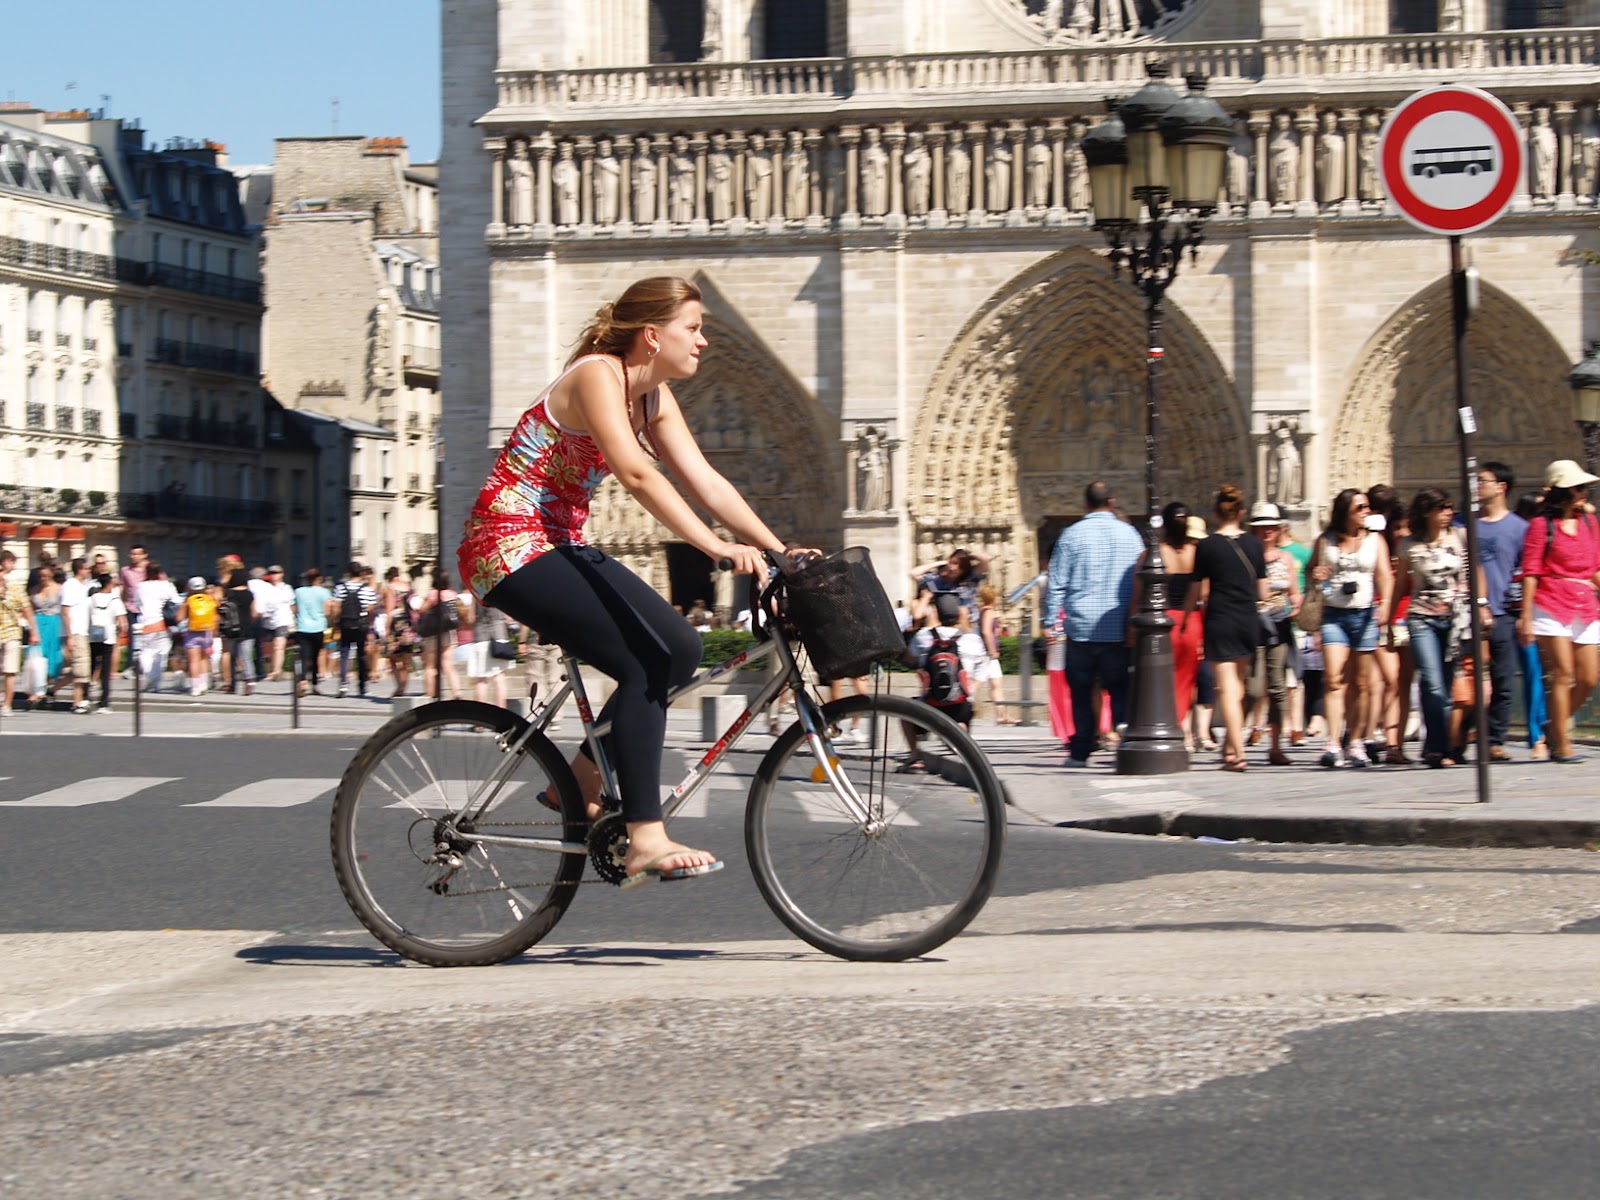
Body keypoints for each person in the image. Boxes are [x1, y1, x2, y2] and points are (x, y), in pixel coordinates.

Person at [457, 275, 799, 887]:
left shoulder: (654, 397)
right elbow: (637, 474)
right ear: (651, 335)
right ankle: (646, 835)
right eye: (692, 329)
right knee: (646, 660)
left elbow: (707, 481)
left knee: (684, 648)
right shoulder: (596, 375)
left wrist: (780, 551)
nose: (703, 342)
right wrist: (715, 547)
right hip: (504, 547)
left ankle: (580, 785)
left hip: (559, 544)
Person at [1044, 481, 1144, 767]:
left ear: (1085, 503)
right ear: (1111, 502)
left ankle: (1080, 751)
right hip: (1118, 626)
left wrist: (1050, 620)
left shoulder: (1071, 535)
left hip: (1081, 627)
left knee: (1082, 691)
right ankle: (1125, 738)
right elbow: (1141, 577)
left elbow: (1057, 581)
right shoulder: (1131, 535)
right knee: (1120, 688)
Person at [1518, 460, 1600, 763]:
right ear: (1562, 491)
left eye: (1585, 487)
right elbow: (1531, 571)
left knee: (1589, 677)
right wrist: (1526, 617)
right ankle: (1563, 744)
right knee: (1563, 674)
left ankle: (1553, 725)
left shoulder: (1590, 523)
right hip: (1550, 601)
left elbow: (1595, 567)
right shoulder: (1541, 525)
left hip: (1585, 602)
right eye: (1578, 487)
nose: (1584, 492)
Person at [1397, 487, 1482, 768]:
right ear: (1426, 512)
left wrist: (1481, 604)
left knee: (1445, 686)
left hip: (1455, 619)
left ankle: (1438, 746)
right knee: (1432, 684)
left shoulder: (1460, 537)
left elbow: (1474, 572)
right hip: (1421, 617)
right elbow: (1400, 584)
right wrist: (1388, 620)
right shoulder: (1409, 545)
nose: (1448, 513)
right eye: (1442, 508)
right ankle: (1438, 745)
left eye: (1449, 508)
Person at [1185, 485, 1268, 771]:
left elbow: (1195, 592)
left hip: (1220, 618)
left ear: (1214, 513)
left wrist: (1185, 617)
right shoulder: (1256, 545)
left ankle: (1238, 753)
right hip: (1247, 619)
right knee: (1238, 687)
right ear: (1242, 513)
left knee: (1227, 689)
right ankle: (1231, 748)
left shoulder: (1207, 546)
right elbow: (1264, 591)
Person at [1310, 489, 1393, 768]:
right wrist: (1316, 575)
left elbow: (1384, 576)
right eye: (1360, 507)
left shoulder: (1375, 541)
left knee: (1361, 683)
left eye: (1367, 507)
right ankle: (1333, 742)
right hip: (1334, 614)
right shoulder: (1326, 540)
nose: (1366, 511)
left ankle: (1356, 741)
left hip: (1365, 613)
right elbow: (1311, 570)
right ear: (1346, 511)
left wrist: (1386, 605)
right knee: (1333, 679)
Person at [1468, 461, 1528, 761]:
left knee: (1504, 679)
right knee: (1467, 678)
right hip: (1466, 614)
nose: (1478, 485)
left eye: (1483, 480)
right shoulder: (1464, 524)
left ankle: (1494, 739)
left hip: (1504, 611)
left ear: (1501, 487)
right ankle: (1462, 733)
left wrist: (1524, 615)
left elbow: (1526, 574)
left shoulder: (1520, 528)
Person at [1132, 501, 1201, 733]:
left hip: (1162, 620)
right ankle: (1184, 726)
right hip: (1192, 621)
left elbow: (1138, 593)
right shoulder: (1196, 553)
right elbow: (1206, 592)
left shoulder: (1153, 553)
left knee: (1160, 676)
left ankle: (1169, 722)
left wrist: (1131, 626)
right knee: (1187, 677)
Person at [1244, 502, 1302, 766]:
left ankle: (1276, 746)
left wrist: (1298, 603)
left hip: (1278, 624)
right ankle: (1238, 736)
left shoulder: (1286, 558)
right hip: (1253, 623)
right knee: (1254, 689)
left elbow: (1294, 592)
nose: (1267, 531)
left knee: (1278, 686)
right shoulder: (1246, 556)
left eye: (1271, 527)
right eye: (1261, 527)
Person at [908, 592, 985, 734]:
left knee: (905, 714)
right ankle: (959, 734)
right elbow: (982, 670)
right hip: (961, 705)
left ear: (938, 614)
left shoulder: (924, 635)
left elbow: (910, 657)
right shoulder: (973, 640)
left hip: (930, 704)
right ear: (958, 615)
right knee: (961, 719)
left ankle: (914, 753)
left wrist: (929, 625)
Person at [1512, 490, 1549, 759]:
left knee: (1545, 675)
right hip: (1517, 612)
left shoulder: (1547, 535)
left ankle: (1543, 731)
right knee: (1532, 674)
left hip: (1547, 610)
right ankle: (1537, 733)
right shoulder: (1519, 535)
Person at [332, 561, 378, 698]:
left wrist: (335, 622)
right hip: (361, 624)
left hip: (345, 623)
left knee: (344, 653)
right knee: (361, 655)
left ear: (348, 573)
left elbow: (336, 606)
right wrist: (369, 624)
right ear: (362, 573)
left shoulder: (340, 588)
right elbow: (371, 609)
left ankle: (343, 684)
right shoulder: (367, 589)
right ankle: (362, 686)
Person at [0, 549, 39, 716]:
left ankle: (6, 705)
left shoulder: (15, 586)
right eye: (10, 562)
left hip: (11, 632)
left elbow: (27, 609)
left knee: (10, 670)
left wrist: (34, 631)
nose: (12, 565)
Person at [134, 563, 180, 693]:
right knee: (161, 654)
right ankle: (155, 682)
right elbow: (176, 602)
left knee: (145, 652)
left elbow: (137, 603)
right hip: (163, 623)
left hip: (145, 623)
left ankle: (148, 675)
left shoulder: (140, 586)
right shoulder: (167, 585)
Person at [86, 572, 126, 712]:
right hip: (108, 637)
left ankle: (85, 697)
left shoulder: (91, 599)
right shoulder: (115, 600)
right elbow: (123, 623)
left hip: (92, 636)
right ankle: (104, 702)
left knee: (91, 667)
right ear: (109, 584)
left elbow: (86, 617)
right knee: (105, 670)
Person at [293, 568, 336, 697]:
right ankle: (315, 685)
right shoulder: (324, 592)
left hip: (302, 627)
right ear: (319, 578)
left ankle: (302, 681)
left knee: (303, 657)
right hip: (318, 627)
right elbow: (328, 611)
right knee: (316, 657)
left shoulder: (298, 591)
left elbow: (294, 608)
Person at [60, 557, 95, 714]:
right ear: (80, 569)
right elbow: (66, 612)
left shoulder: (85, 586)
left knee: (77, 669)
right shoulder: (70, 585)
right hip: (75, 631)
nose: (89, 570)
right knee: (81, 669)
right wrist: (70, 636)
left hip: (84, 631)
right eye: (86, 568)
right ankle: (77, 702)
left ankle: (52, 690)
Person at [974, 583, 1010, 723]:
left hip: (986, 653)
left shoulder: (983, 610)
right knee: (978, 683)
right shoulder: (989, 612)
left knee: (996, 684)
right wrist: (992, 650)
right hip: (987, 654)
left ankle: (1002, 715)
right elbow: (986, 631)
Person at [179, 575, 218, 696]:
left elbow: (179, 618)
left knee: (193, 661)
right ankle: (203, 683)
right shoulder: (211, 600)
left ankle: (195, 687)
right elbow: (216, 617)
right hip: (207, 632)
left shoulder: (188, 601)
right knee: (204, 658)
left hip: (192, 633)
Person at [220, 569, 257, 695]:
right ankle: (250, 680)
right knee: (246, 657)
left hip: (231, 630)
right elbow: (254, 612)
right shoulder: (249, 594)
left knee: (232, 657)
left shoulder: (229, 593)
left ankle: (232, 684)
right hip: (247, 629)